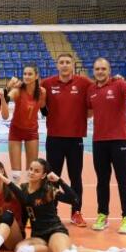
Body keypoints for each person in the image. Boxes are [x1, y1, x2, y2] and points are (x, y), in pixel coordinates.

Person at [5, 159, 126, 252]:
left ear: (43, 175)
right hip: (38, 235)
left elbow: (74, 200)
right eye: (31, 169)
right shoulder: (23, 188)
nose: (32, 172)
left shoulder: (49, 190)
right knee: (21, 251)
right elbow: (22, 198)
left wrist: (60, 181)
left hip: (54, 231)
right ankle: (59, 248)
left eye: (36, 171)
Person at [88, 58, 126, 234]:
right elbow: (89, 112)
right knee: (102, 181)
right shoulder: (91, 90)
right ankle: (102, 215)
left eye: (103, 68)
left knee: (123, 181)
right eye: (97, 69)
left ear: (109, 70)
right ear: (93, 71)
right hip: (99, 141)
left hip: (119, 140)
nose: (100, 71)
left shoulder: (119, 84)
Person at [41, 53, 93, 227]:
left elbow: (100, 87)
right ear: (57, 65)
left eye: (67, 62)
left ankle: (76, 212)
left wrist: (116, 80)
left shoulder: (84, 83)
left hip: (75, 139)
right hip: (54, 138)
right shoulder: (47, 83)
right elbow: (35, 98)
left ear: (73, 65)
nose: (64, 65)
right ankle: (51, 212)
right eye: (61, 62)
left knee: (75, 177)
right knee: (52, 177)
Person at [7, 63, 46, 183]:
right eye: (25, 74)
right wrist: (8, 87)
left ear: (36, 76)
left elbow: (44, 110)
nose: (26, 76)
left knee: (32, 172)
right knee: (16, 175)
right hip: (16, 131)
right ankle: (16, 193)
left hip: (32, 132)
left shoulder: (42, 92)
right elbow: (4, 99)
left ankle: (29, 194)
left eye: (30, 74)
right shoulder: (18, 90)